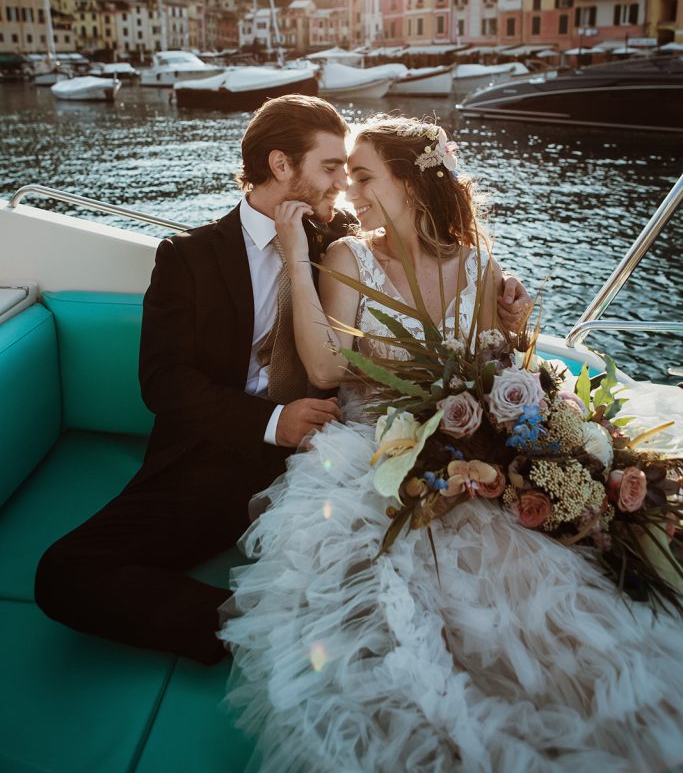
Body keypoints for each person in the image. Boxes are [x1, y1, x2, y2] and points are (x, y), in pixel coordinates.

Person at [218, 117, 683, 772]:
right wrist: (297, 253)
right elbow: (326, 370)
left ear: (409, 182)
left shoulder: (481, 267)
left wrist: (515, 332)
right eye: (346, 175)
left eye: (363, 175)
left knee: (526, 607)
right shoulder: (346, 257)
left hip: (461, 462)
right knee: (392, 623)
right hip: (367, 456)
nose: (350, 190)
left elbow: (491, 376)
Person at [32, 94, 534, 666]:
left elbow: (424, 258)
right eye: (330, 169)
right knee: (66, 572)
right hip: (223, 455)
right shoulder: (189, 257)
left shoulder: (340, 236)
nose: (342, 188)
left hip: (342, 454)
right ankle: (251, 627)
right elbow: (165, 382)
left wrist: (504, 308)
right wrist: (273, 422)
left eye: (350, 173)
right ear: (279, 166)